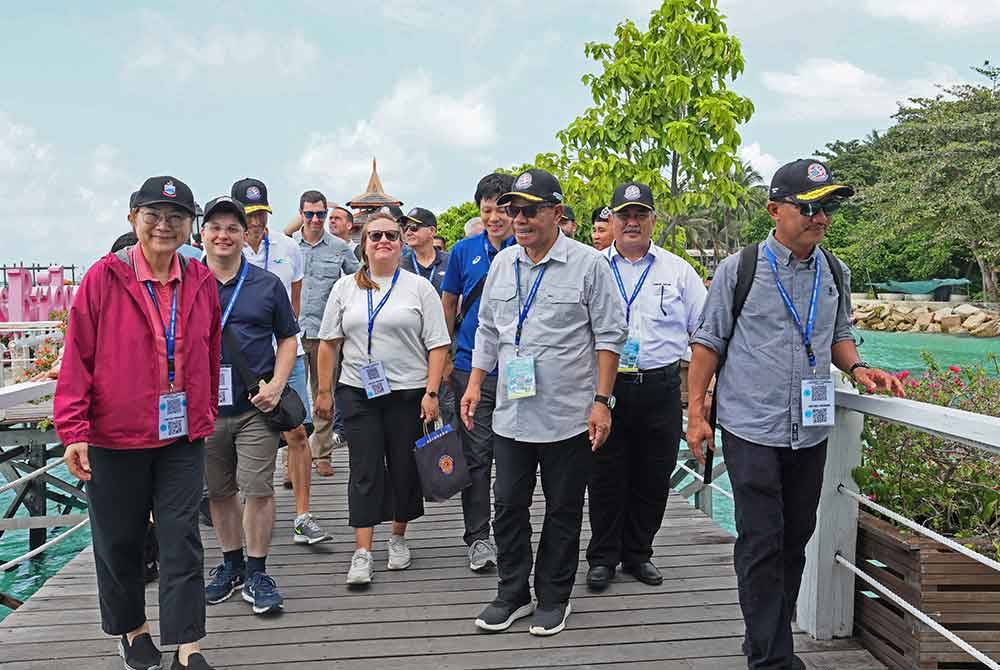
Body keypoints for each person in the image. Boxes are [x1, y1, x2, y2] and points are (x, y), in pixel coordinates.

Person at [686, 159, 905, 670]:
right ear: (775, 210)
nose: (821, 217)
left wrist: (859, 368)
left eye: (827, 206)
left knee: (795, 539)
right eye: (809, 206)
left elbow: (838, 334)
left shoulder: (835, 271)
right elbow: (706, 344)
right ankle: (772, 659)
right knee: (762, 540)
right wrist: (697, 416)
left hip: (809, 431)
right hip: (750, 426)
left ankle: (765, 637)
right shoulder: (739, 269)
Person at [54, 176, 220, 670]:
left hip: (180, 436)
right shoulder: (104, 278)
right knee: (120, 538)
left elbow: (210, 351)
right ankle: (132, 630)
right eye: (153, 214)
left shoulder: (201, 279)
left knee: (181, 536)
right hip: (115, 435)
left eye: (176, 217)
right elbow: (77, 357)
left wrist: (204, 411)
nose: (164, 225)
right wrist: (74, 431)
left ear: (190, 227)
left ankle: (188, 645)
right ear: (133, 219)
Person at [461, 168, 625, 636]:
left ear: (556, 213)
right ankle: (512, 593)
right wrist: (474, 383)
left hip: (568, 416)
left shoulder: (588, 265)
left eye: (530, 209)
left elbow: (610, 336)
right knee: (508, 504)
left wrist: (602, 400)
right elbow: (488, 331)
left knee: (562, 509)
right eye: (513, 209)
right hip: (512, 413)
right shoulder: (502, 264)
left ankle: (554, 596)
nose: (519, 218)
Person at [313, 211, 450, 585]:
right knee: (365, 468)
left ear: (402, 241)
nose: (383, 242)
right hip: (358, 390)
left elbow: (438, 345)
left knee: (404, 468)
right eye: (375, 236)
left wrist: (432, 392)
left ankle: (397, 537)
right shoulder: (346, 288)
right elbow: (329, 343)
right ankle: (363, 550)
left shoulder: (418, 288)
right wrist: (325, 390)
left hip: (408, 392)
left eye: (391, 235)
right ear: (364, 244)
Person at [585, 182, 707, 592]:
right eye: (624, 215)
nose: (632, 222)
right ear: (612, 220)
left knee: (654, 476)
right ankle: (601, 557)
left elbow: (702, 336)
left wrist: (701, 403)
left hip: (659, 387)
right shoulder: (591, 267)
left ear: (654, 220)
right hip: (607, 388)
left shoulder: (678, 271)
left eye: (640, 215)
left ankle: (639, 553)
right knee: (604, 476)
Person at [199, 195, 301, 617]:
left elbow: (289, 338)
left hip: (254, 407)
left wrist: (278, 385)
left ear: (246, 235)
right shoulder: (187, 282)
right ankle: (231, 564)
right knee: (219, 492)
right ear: (202, 234)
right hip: (202, 411)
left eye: (232, 228)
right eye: (215, 227)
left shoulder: (266, 284)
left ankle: (258, 571)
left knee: (258, 489)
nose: (223, 235)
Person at [232, 177, 329, 544]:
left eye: (261, 213)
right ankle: (244, 516)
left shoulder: (289, 248)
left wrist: (286, 344)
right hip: (242, 364)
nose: (256, 221)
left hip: (286, 357)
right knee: (238, 437)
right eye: (249, 214)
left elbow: (295, 302)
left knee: (297, 433)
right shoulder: (227, 250)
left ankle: (303, 516)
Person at [440, 172, 514, 572]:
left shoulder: (527, 249)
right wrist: (447, 355)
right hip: (472, 369)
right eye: (487, 210)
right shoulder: (463, 250)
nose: (495, 217)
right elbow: (449, 303)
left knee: (517, 454)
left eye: (502, 209)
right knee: (478, 455)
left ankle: (511, 531)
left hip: (521, 371)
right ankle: (478, 537)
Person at [296, 190, 360, 478]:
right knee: (293, 398)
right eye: (308, 213)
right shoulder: (288, 247)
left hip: (327, 332)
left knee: (324, 394)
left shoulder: (339, 247)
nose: (315, 219)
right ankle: (293, 458)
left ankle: (321, 451)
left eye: (320, 214)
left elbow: (359, 280)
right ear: (300, 214)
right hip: (293, 333)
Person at [400, 207, 450, 294]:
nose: (408, 232)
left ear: (432, 231)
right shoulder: (400, 265)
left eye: (413, 227)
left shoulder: (451, 261)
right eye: (405, 228)